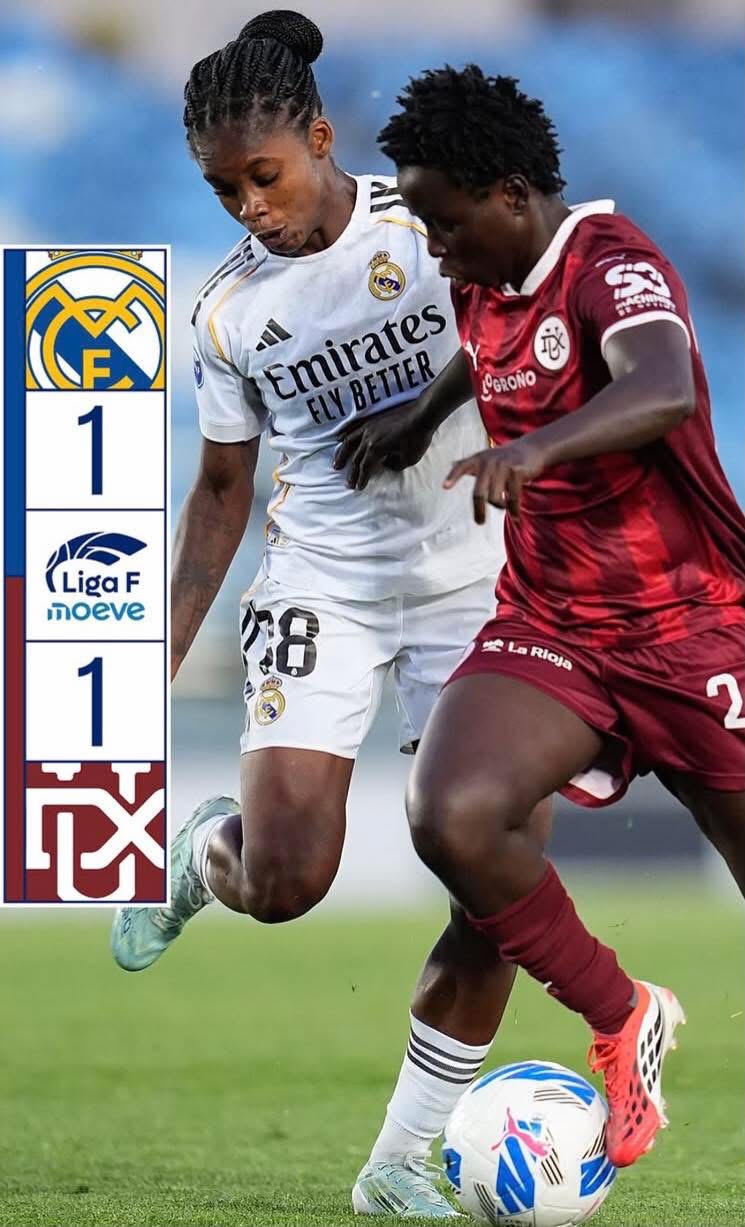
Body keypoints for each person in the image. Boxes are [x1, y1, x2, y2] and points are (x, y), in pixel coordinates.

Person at [110, 14, 552, 1218]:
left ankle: (397, 1164)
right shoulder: (229, 314)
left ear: (320, 137)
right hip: (325, 582)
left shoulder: (430, 227)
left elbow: (525, 320)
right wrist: (168, 635)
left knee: (499, 879)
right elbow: (219, 490)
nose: (248, 207)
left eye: (264, 175)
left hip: (482, 582)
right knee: (290, 877)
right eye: (221, 190)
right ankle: (211, 854)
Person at [344, 63, 745, 1169]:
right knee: (454, 812)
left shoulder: (613, 265)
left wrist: (531, 448)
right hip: (556, 620)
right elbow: (479, 352)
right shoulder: (482, 276)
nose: (432, 247)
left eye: (443, 220)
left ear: (510, 193)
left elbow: (658, 386)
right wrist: (421, 420)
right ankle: (623, 1016)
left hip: (693, 622)